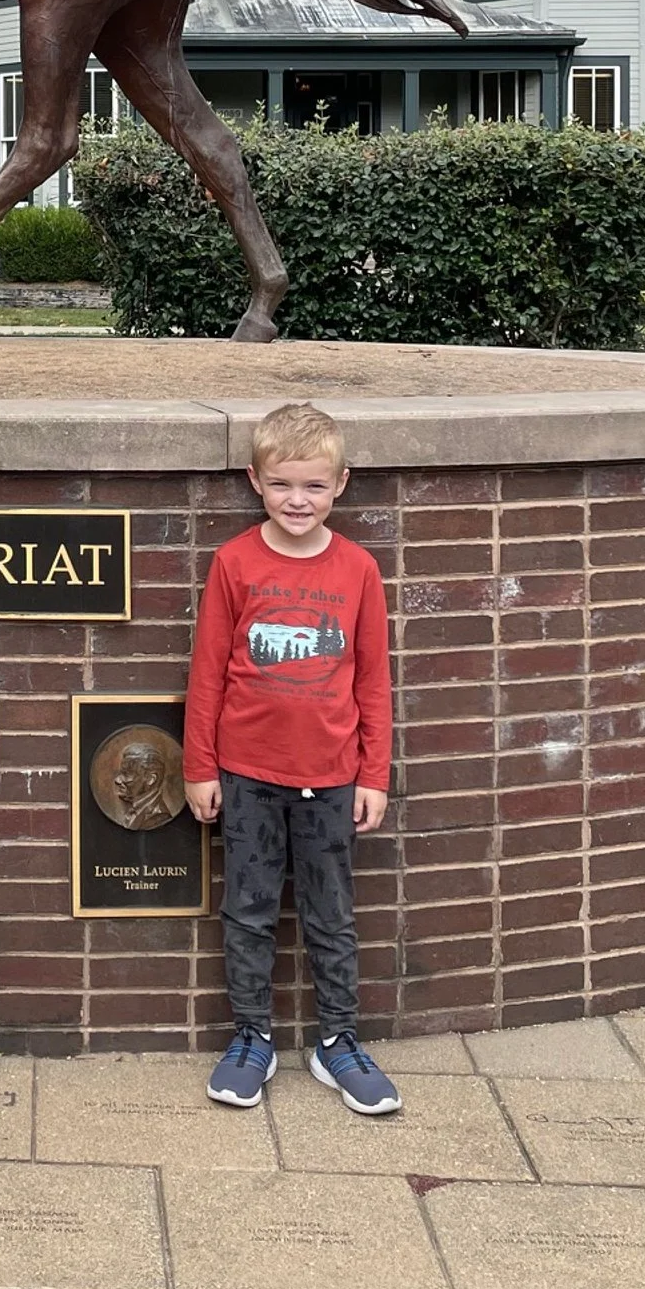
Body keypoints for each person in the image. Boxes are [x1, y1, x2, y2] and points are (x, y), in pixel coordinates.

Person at [183, 400, 400, 1116]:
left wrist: (374, 774)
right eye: (281, 484)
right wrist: (199, 767)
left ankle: (338, 1040)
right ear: (255, 481)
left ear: (341, 483)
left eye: (313, 485)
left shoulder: (358, 569)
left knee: (330, 914)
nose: (297, 499)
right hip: (246, 774)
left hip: (333, 778)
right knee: (247, 911)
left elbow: (373, 681)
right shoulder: (234, 563)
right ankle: (252, 1036)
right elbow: (208, 674)